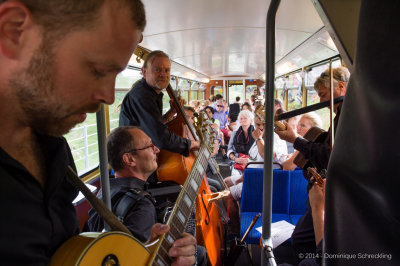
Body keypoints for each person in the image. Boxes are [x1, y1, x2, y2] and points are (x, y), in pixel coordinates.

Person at [0, 0, 146, 264]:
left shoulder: (54, 148)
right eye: (98, 70)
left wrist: (141, 253)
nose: (109, 97)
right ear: (14, 31)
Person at [88, 127, 200, 265]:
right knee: (200, 253)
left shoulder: (105, 191)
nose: (157, 150)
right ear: (129, 159)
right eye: (149, 146)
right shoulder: (142, 206)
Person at [275, 66, 350, 263]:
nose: (323, 102)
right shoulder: (341, 116)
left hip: (332, 196)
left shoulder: (349, 117)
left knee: (301, 240)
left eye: (324, 95)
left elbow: (329, 156)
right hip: (325, 192)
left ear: (341, 87)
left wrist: (296, 140)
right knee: (301, 239)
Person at [119, 50, 200, 157]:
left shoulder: (152, 93)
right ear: (144, 72)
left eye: (167, 70)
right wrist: (191, 144)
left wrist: (171, 113)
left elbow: (150, 127)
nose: (163, 74)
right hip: (134, 161)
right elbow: (160, 138)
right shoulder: (143, 96)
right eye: (157, 70)